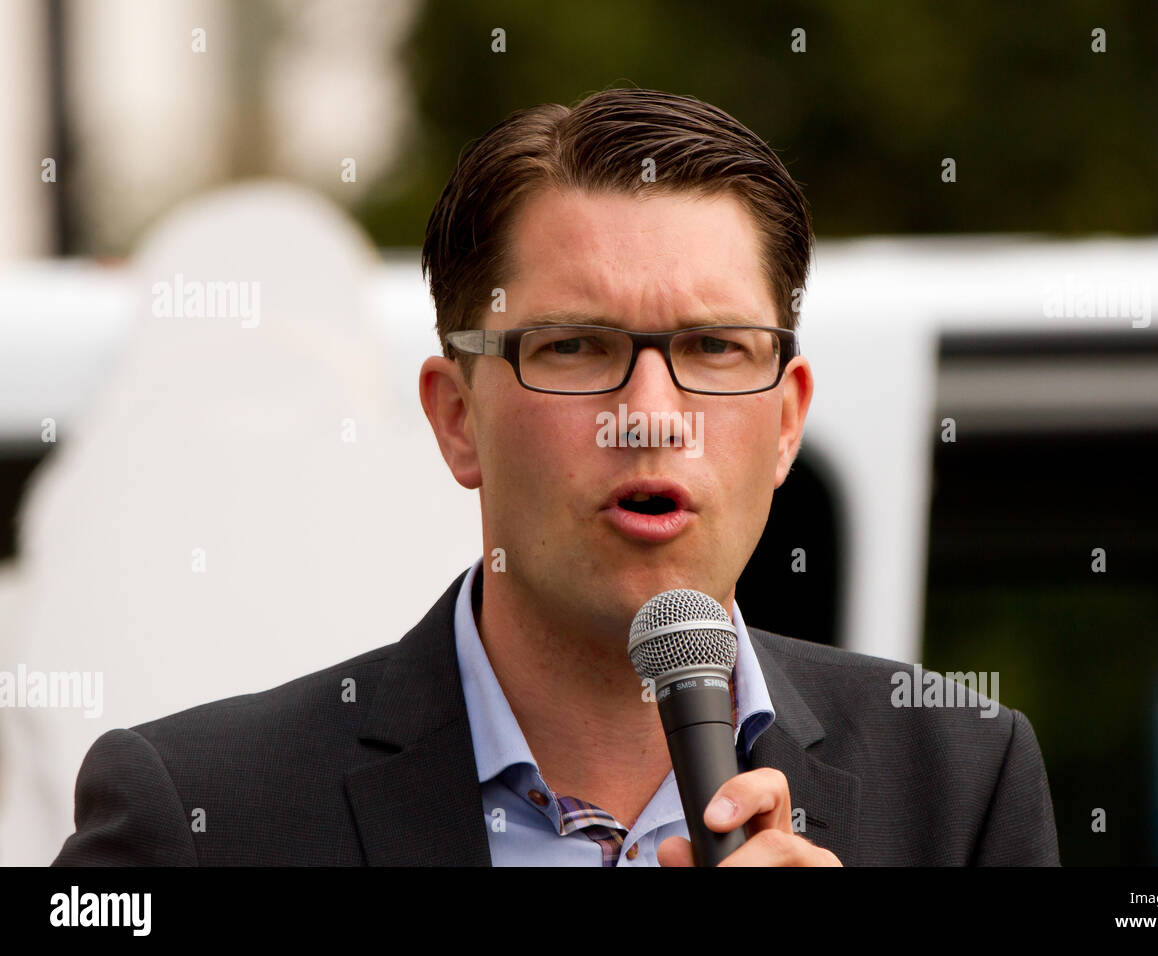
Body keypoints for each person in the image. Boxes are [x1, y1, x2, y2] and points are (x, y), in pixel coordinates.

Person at [53, 88, 1059, 866]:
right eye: (576, 345)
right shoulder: (203, 814)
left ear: (786, 417)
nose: (651, 413)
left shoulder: (958, 779)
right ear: (458, 419)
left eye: (713, 345)